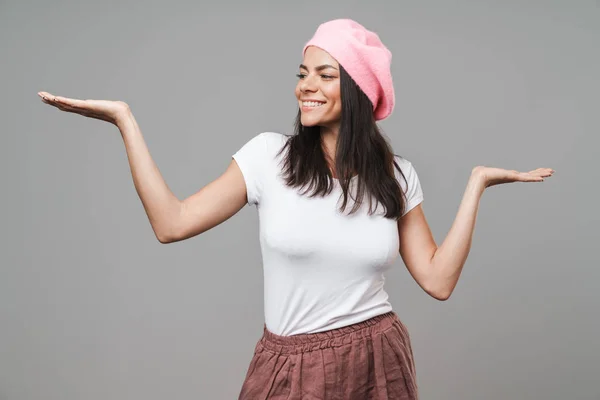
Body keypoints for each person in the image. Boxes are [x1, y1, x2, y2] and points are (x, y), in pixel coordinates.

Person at [38, 18, 554, 400]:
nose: (304, 86)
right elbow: (170, 223)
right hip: (290, 363)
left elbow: (438, 281)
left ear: (356, 90)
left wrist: (476, 185)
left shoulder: (396, 176)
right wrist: (125, 121)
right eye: (303, 72)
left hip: (377, 357)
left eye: (324, 75)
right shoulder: (269, 157)